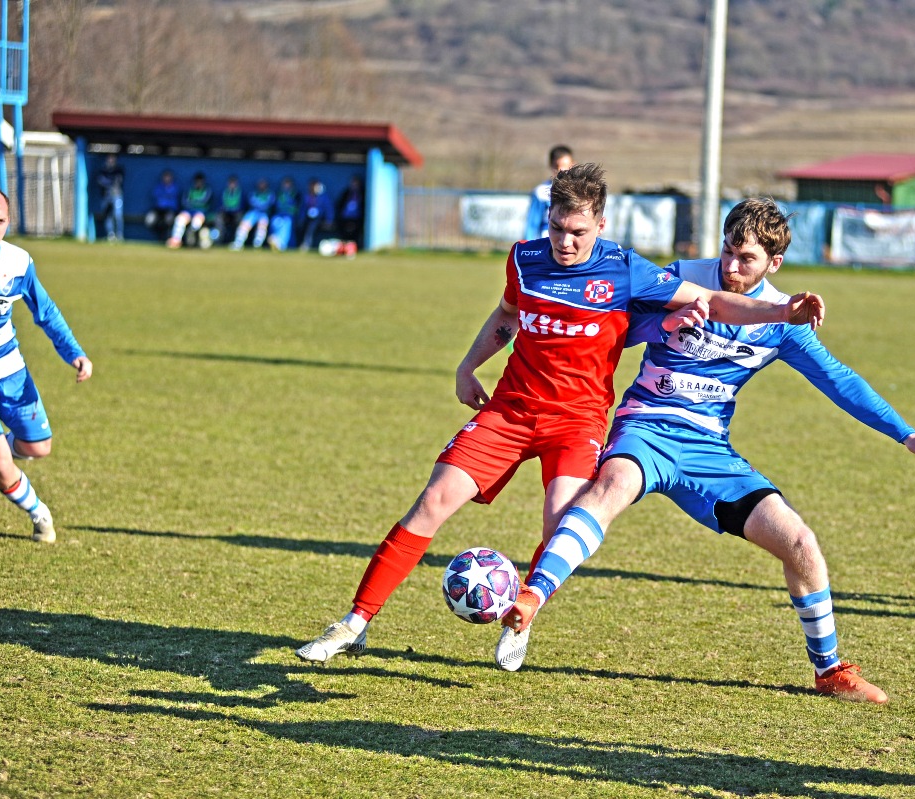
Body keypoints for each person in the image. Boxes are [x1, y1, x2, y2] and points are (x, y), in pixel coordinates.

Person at [295, 164, 826, 663]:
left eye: (577, 232)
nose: (564, 242)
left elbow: (716, 300)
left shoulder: (625, 269)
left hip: (577, 422)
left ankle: (520, 618)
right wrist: (467, 366)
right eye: (556, 228)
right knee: (432, 501)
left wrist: (783, 311)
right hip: (511, 410)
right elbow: (507, 315)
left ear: (601, 225)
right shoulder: (524, 259)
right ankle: (354, 622)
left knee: (562, 523)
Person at [495, 198, 915, 702]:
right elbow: (616, 329)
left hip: (709, 450)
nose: (731, 267)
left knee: (800, 542)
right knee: (613, 484)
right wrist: (668, 322)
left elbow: (839, 380)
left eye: (746, 259)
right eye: (728, 251)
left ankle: (829, 669)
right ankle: (531, 598)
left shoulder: (782, 320)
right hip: (646, 425)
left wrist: (905, 433)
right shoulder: (682, 278)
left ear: (774, 263)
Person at [0, 191, 93, 544]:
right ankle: (41, 515)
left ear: (8, 222)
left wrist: (74, 353)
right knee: (2, 464)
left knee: (38, 447)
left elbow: (46, 312)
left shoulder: (17, 263)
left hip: (10, 372)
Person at [525, 144, 574, 241]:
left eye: (564, 166)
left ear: (572, 165)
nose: (560, 170)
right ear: (551, 165)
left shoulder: (579, 191)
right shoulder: (541, 192)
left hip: (569, 241)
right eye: (557, 166)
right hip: (547, 241)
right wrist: (528, 244)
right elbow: (532, 223)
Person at [167, 172, 213, 249]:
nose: (198, 183)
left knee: (196, 222)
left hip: (201, 212)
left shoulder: (207, 190)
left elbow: (204, 201)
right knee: (180, 219)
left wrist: (193, 202)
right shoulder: (189, 190)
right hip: (189, 211)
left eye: (200, 181)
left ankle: (193, 240)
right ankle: (176, 240)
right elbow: (184, 202)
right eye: (197, 181)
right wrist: (194, 203)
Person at [230, 178, 275, 251]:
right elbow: (252, 202)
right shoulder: (253, 193)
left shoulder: (270, 194)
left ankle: (257, 244)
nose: (262, 186)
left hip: (264, 213)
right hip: (253, 212)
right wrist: (260, 205)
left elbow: (268, 205)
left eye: (263, 184)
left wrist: (261, 206)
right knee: (245, 223)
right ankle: (238, 242)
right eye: (260, 184)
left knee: (262, 224)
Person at [298, 178, 334, 252]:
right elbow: (303, 210)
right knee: (302, 226)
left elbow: (329, 210)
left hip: (320, 219)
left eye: (315, 186)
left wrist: (329, 221)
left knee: (312, 225)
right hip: (308, 219)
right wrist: (301, 220)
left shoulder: (324, 197)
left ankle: (306, 244)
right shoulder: (306, 197)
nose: (313, 188)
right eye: (312, 186)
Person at [143, 169, 179, 241]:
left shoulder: (175, 187)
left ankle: (166, 236)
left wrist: (165, 200)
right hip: (158, 210)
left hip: (170, 210)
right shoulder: (158, 187)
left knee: (168, 220)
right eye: (165, 177)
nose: (167, 179)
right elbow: (156, 198)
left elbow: (173, 201)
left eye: (168, 177)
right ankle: (159, 235)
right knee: (149, 220)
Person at [94, 155, 124, 242]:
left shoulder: (119, 170)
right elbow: (100, 181)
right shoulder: (103, 171)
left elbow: (118, 181)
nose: (111, 161)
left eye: (113, 159)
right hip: (105, 196)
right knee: (107, 216)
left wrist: (111, 185)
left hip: (116, 195)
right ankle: (110, 235)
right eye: (109, 159)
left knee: (118, 215)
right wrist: (109, 185)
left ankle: (119, 235)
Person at [266, 177, 300, 252]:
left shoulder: (296, 194)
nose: (286, 185)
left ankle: (281, 243)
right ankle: (274, 239)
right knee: (275, 221)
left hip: (290, 215)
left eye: (288, 183)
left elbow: (298, 207)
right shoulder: (278, 193)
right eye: (285, 183)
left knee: (287, 222)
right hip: (279, 214)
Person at [335, 176, 365, 249]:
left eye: (356, 184)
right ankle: (343, 246)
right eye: (353, 183)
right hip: (345, 217)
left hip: (357, 218)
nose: (354, 186)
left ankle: (354, 246)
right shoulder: (346, 193)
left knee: (356, 229)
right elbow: (339, 204)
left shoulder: (363, 194)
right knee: (341, 226)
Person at [216, 175, 244, 246]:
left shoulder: (240, 193)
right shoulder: (224, 192)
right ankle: (219, 239)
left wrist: (233, 209)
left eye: (234, 183)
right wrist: (225, 209)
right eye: (230, 183)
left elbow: (242, 206)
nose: (232, 185)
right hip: (226, 213)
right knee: (218, 219)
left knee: (240, 218)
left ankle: (237, 240)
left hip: (236, 213)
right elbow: (220, 205)